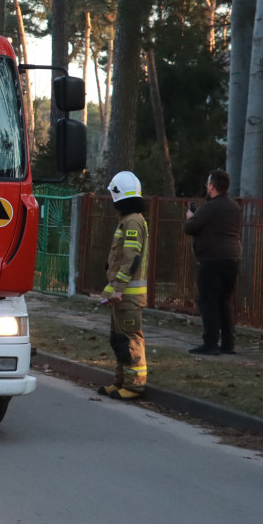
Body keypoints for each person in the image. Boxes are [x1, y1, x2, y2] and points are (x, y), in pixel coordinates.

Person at [99, 171, 149, 401]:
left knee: (130, 339)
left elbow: (131, 258)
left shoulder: (132, 222)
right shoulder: (128, 220)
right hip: (122, 295)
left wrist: (118, 288)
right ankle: (120, 382)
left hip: (128, 296)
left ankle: (135, 385)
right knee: (119, 339)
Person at [184, 169, 243, 355]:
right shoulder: (234, 206)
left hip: (211, 259)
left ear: (212, 186)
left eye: (208, 184)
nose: (206, 187)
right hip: (232, 258)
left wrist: (190, 217)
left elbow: (190, 228)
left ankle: (210, 343)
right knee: (225, 301)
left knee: (208, 301)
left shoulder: (210, 207)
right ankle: (228, 343)